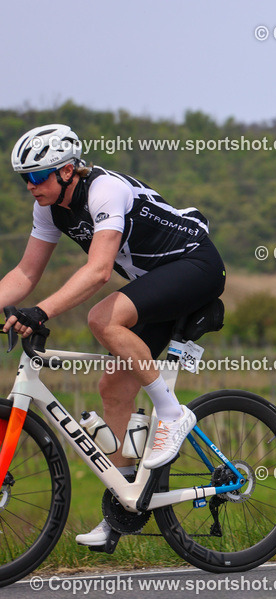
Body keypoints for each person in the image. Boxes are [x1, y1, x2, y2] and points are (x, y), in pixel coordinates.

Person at [2, 124, 226, 546]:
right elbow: (25, 273)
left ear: (68, 170)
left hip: (195, 265)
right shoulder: (49, 209)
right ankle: (127, 505)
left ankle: (173, 415)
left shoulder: (105, 190)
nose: (30, 186)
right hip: (156, 283)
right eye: (24, 179)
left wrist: (42, 311)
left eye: (37, 176)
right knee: (113, 387)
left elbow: (100, 270)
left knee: (102, 318)